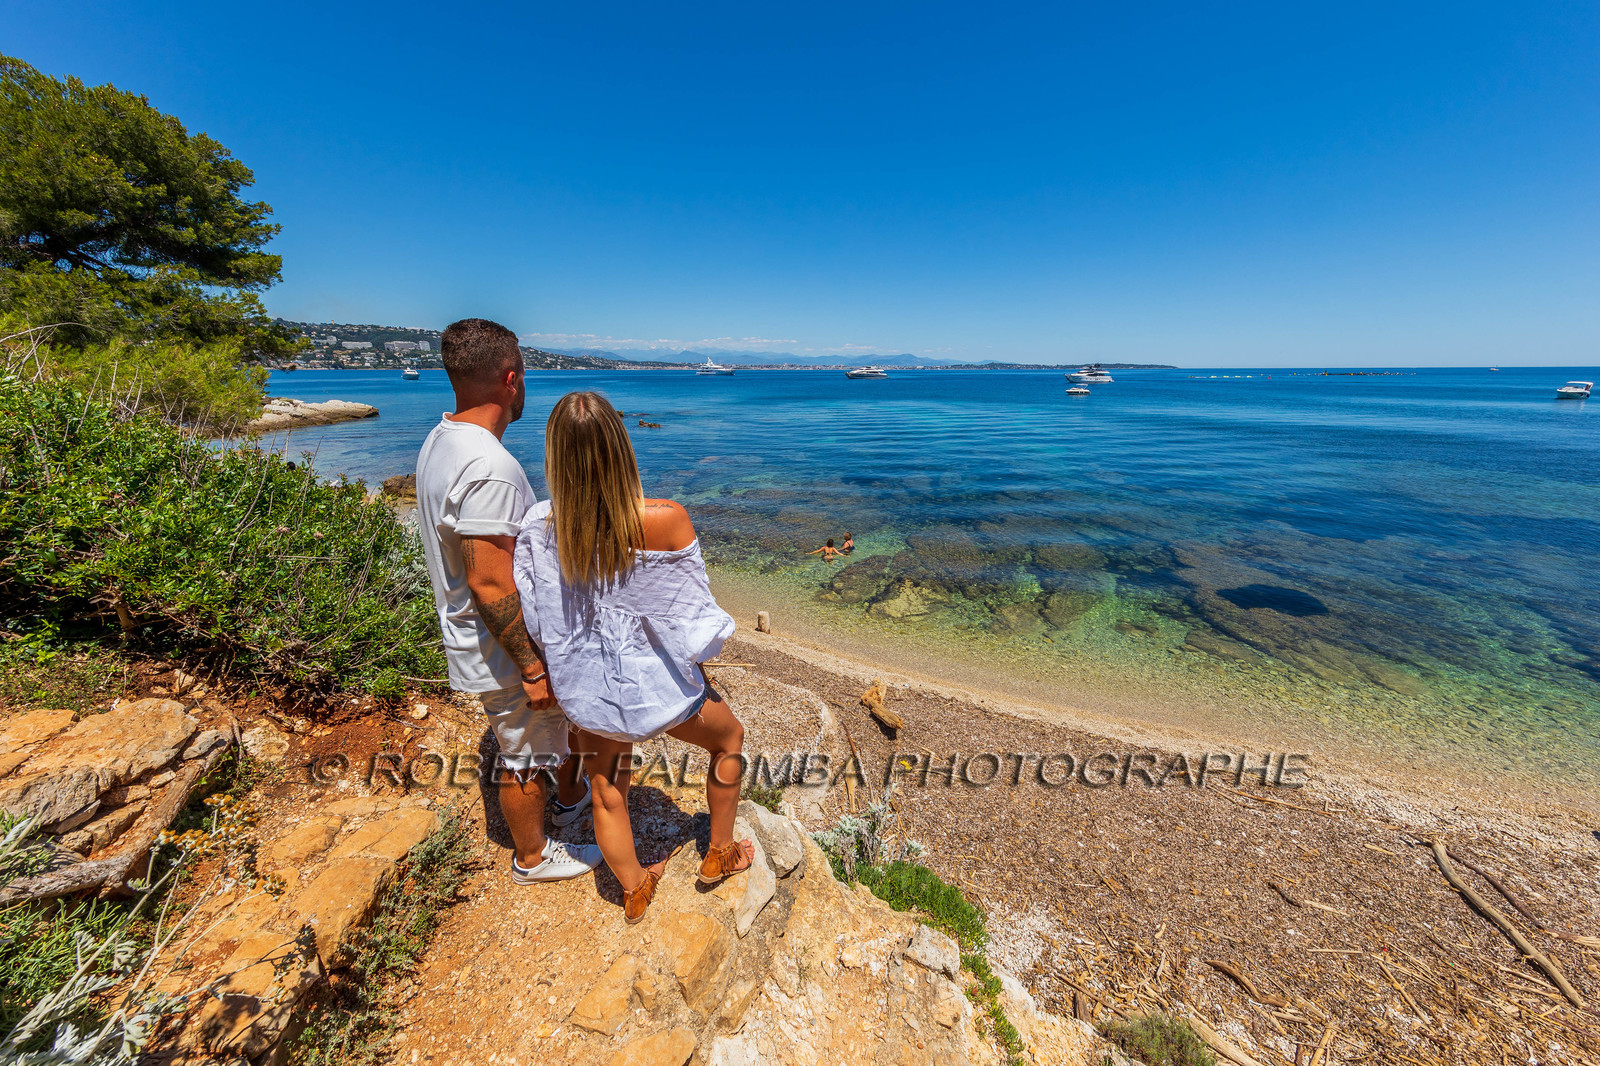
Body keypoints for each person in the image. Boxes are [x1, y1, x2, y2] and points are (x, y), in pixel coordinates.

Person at [513, 391, 754, 923]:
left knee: (606, 791)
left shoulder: (538, 526)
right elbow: (695, 621)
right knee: (729, 738)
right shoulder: (666, 519)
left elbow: (537, 616)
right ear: (621, 449)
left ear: (555, 456)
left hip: (590, 691)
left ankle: (635, 888)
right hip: (659, 689)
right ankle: (719, 853)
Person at [415, 318, 600, 885]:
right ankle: (532, 856)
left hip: (479, 635)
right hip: (499, 647)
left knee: (549, 733)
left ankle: (569, 800)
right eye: (525, 373)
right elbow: (491, 583)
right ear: (511, 379)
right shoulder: (491, 468)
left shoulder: (441, 439)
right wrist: (531, 666)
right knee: (523, 752)